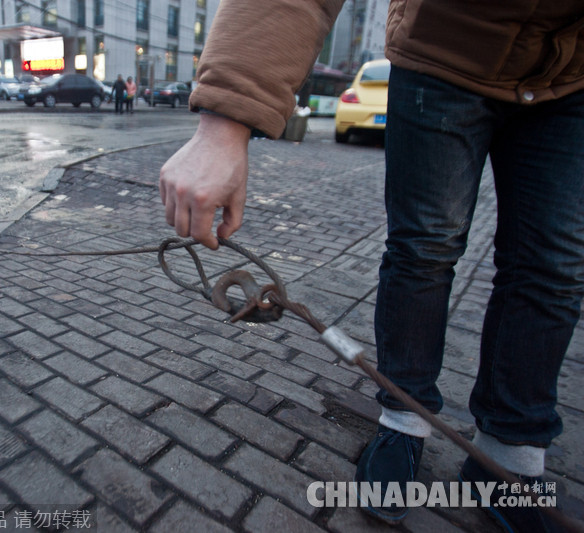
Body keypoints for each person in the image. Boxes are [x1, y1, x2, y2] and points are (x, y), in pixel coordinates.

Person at [158, 1, 584, 531]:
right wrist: (226, 118)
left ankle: (513, 449)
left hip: (573, 77)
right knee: (425, 246)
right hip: (442, 56)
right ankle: (403, 419)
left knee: (556, 264)